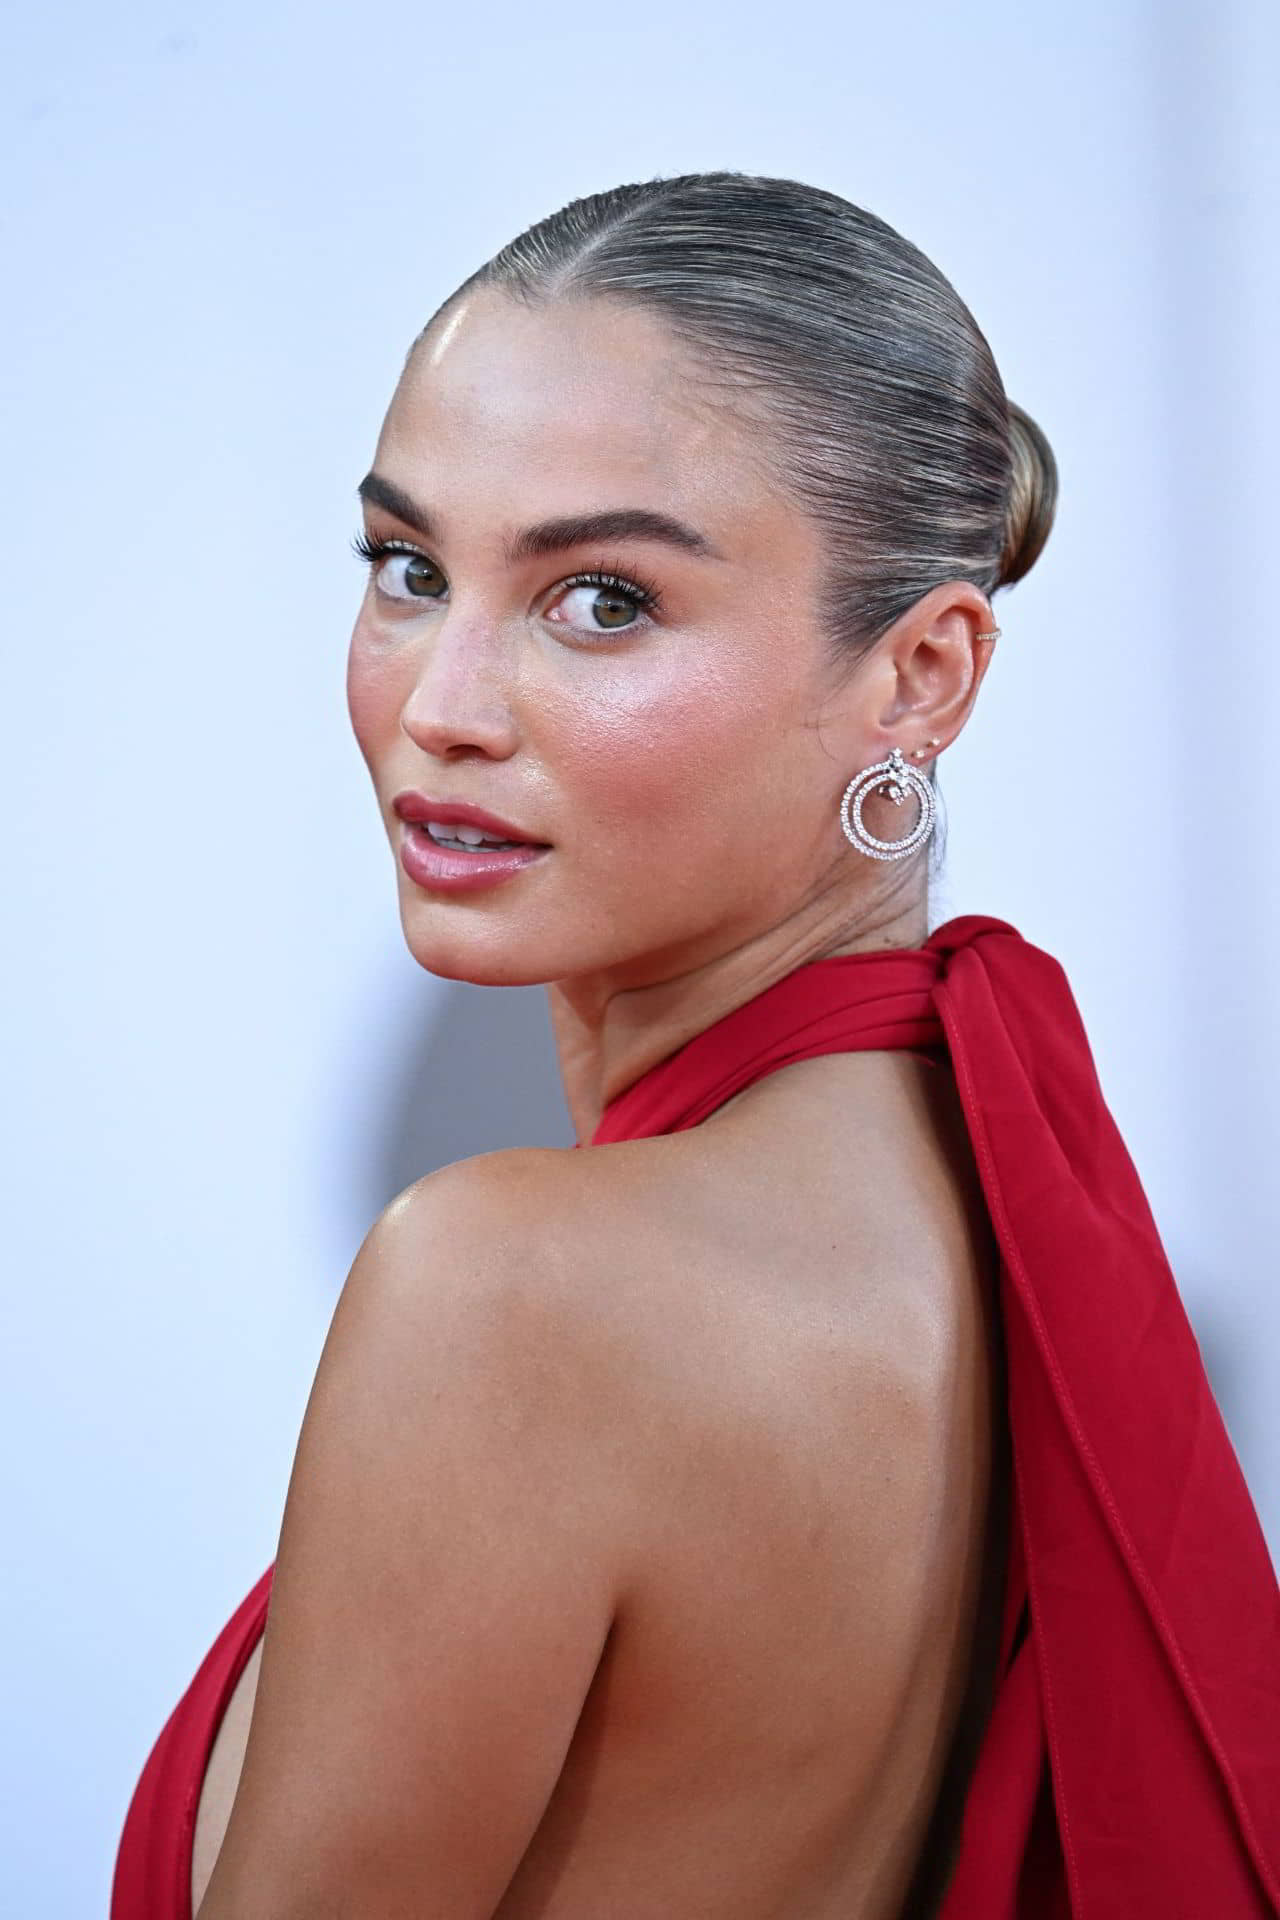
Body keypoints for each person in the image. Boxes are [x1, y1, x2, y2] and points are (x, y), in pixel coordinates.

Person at [112, 171, 1280, 1920]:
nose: (441, 702)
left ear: (923, 676)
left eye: (604, 602)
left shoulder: (512, 1297)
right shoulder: (981, 1222)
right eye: (409, 568)